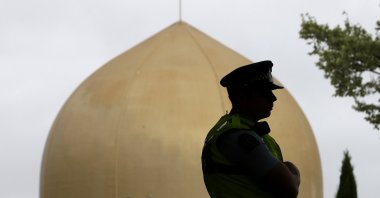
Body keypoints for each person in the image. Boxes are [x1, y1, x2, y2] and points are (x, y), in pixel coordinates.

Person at [201, 60, 301, 198]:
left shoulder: (240, 130)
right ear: (242, 97)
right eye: (264, 92)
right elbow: (290, 187)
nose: (273, 98)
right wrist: (292, 169)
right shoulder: (238, 136)